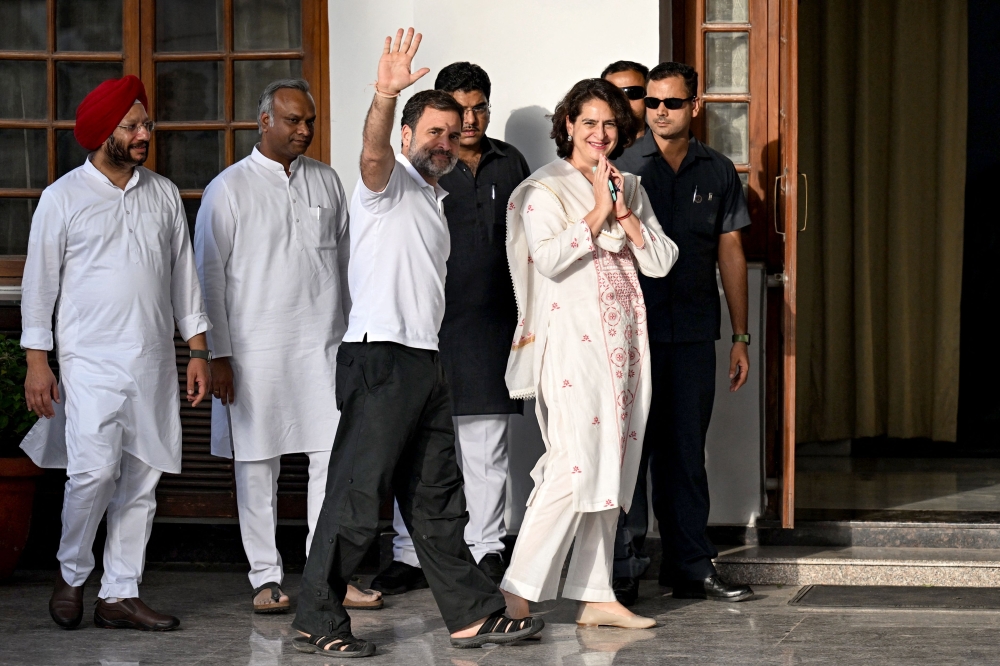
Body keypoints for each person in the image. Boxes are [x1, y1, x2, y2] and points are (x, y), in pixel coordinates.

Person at [290, 29, 543, 658]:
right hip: (380, 358)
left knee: (437, 500)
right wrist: (383, 93)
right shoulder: (387, 185)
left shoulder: (434, 197)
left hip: (425, 363)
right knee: (355, 495)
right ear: (408, 135)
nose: (444, 142)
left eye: (452, 134)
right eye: (432, 131)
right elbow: (371, 154)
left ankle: (471, 615)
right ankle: (316, 617)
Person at [19, 75, 211, 631]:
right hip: (89, 360)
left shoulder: (164, 194)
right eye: (132, 125)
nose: (144, 133)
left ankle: (119, 594)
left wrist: (198, 349)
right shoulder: (62, 198)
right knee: (93, 473)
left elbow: (184, 278)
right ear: (103, 132)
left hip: (153, 360)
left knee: (144, 478)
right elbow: (39, 286)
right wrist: (38, 359)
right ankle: (72, 574)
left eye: (146, 123)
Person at [194, 79, 381, 614]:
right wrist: (218, 354)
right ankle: (265, 576)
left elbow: (350, 266)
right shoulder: (227, 189)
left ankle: (327, 574)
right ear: (264, 122)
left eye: (309, 122)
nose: (303, 130)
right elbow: (208, 277)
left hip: (324, 345)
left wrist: (356, 340)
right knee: (257, 463)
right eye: (293, 121)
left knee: (332, 461)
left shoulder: (327, 181)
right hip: (253, 352)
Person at [499, 78, 678, 630]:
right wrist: (598, 210)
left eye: (609, 124)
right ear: (568, 126)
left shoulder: (633, 186)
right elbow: (549, 260)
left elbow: (662, 262)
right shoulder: (542, 190)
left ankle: (595, 592)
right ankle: (517, 591)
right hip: (571, 348)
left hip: (624, 347)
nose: (600, 133)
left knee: (612, 466)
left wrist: (623, 212)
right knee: (572, 468)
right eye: (589, 122)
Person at [372, 61, 530, 594]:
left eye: (480, 106)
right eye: (459, 108)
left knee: (487, 449)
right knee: (417, 447)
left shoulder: (512, 163)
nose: (470, 118)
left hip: (492, 326)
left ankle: (487, 549)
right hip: (428, 326)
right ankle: (407, 554)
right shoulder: (418, 169)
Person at [612, 61, 754, 605]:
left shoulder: (718, 170)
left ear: (695, 106)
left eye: (672, 102)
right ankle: (624, 570)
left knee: (685, 454)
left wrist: (740, 336)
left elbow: (731, 252)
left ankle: (691, 566)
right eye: (652, 102)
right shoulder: (620, 167)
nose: (660, 112)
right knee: (630, 453)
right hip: (630, 334)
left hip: (694, 333)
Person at [602, 60, 649, 140]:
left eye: (633, 93)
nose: (624, 101)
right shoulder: (592, 147)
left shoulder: (667, 147)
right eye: (614, 95)